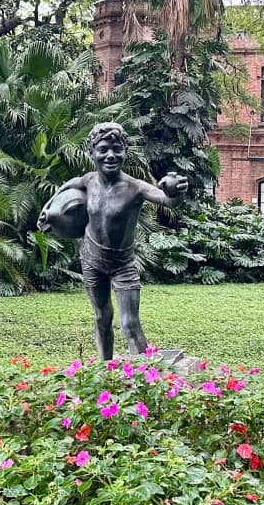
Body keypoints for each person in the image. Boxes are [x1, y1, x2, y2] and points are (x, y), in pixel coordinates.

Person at [40, 122, 188, 360]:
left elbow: (167, 200)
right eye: (104, 149)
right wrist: (48, 210)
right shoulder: (89, 181)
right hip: (90, 259)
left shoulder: (135, 188)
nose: (110, 155)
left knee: (130, 323)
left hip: (122, 264)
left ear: (125, 152)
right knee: (101, 317)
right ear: (92, 153)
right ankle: (104, 369)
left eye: (117, 149)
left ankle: (141, 380)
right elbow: (68, 186)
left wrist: (176, 193)